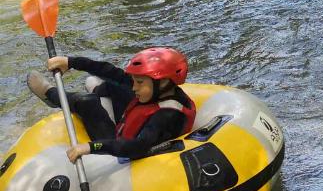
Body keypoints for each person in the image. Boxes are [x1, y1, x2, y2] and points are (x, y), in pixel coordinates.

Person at [26, 47, 196, 162]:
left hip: (119, 146)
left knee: (88, 102)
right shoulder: (158, 88)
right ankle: (99, 89)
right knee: (115, 84)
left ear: (164, 82)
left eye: (139, 82)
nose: (134, 86)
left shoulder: (167, 116)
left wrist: (91, 147)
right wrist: (71, 62)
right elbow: (112, 72)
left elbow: (136, 147)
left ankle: (50, 95)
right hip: (134, 123)